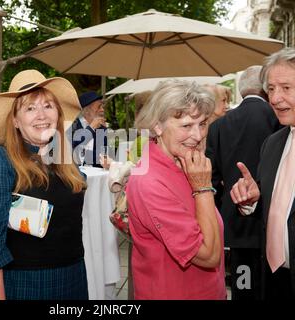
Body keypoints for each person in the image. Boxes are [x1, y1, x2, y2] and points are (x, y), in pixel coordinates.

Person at [0, 70, 87, 300]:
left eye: (48, 105)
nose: (41, 115)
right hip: (23, 283)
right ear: (15, 120)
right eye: (30, 108)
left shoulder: (65, 160)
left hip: (71, 277)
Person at [126, 79, 226, 299]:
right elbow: (209, 256)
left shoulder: (186, 161)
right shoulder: (149, 181)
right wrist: (203, 189)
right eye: (186, 126)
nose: (199, 136)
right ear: (157, 126)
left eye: (202, 123)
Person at [206, 65, 281, 300]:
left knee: (243, 286)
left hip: (236, 226)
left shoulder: (218, 126)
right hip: (274, 222)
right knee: (273, 287)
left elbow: (211, 177)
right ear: (266, 90)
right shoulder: (279, 119)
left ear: (241, 92)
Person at [230, 48, 295, 299]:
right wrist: (252, 200)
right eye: (271, 89)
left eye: (286, 88)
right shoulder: (272, 143)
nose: (276, 98)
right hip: (273, 277)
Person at [69, 91, 107, 167]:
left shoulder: (101, 128)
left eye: (102, 106)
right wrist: (91, 128)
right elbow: (72, 151)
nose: (102, 110)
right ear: (87, 110)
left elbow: (103, 155)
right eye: (99, 107)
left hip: (96, 175)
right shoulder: (72, 126)